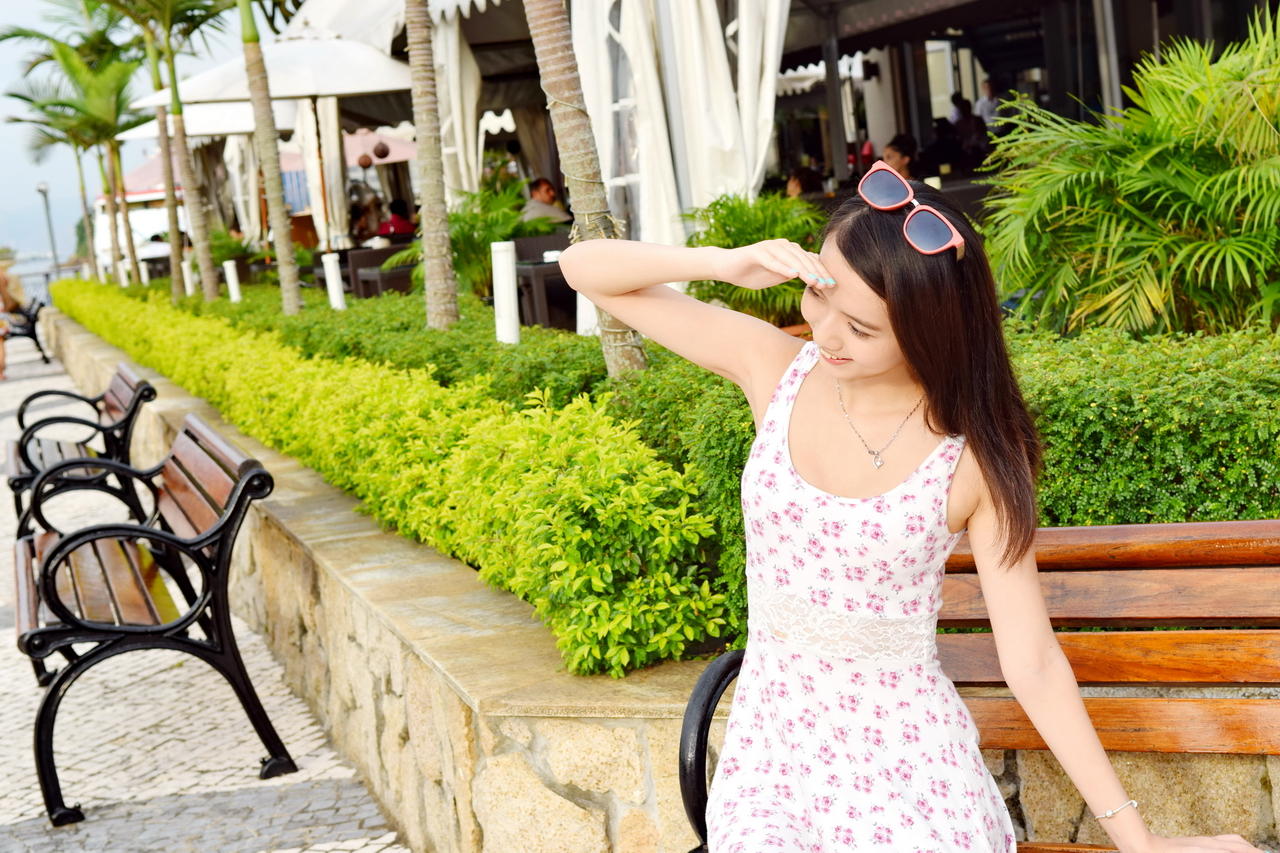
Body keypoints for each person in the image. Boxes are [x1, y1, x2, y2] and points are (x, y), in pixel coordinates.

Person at [559, 163, 1264, 853]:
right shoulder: (772, 369)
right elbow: (582, 269)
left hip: (905, 766)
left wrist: (1139, 840)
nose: (826, 333)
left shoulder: (975, 458)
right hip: (772, 758)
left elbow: (1033, 662)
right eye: (818, 295)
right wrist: (723, 262)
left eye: (862, 328)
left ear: (928, 329)